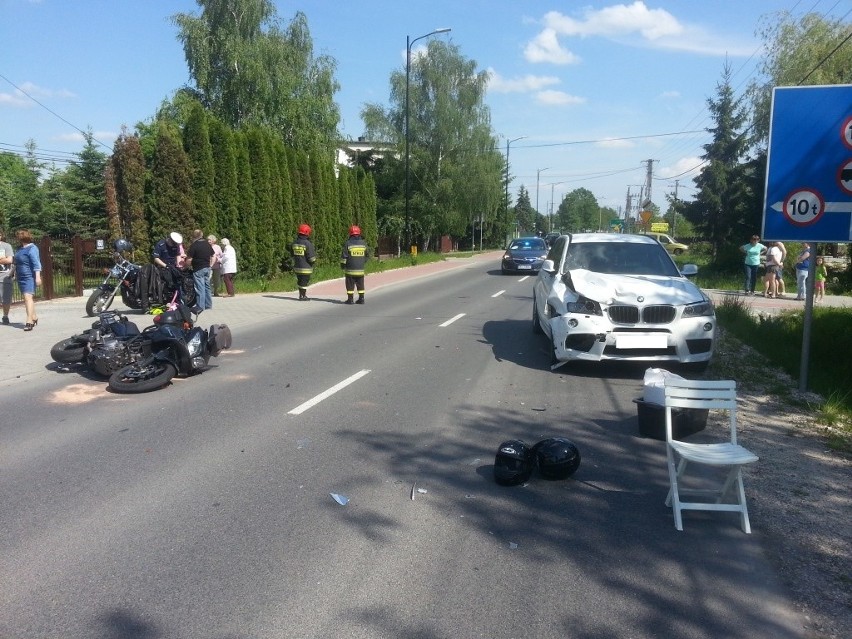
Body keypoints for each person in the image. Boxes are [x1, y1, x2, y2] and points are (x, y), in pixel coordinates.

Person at [13, 229, 42, 330]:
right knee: (28, 298)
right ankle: (34, 317)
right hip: (21, 277)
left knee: (27, 298)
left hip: (29, 276)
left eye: (18, 236)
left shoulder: (32, 248)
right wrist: (12, 273)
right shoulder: (20, 249)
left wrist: (38, 277)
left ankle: (29, 321)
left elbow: (36, 263)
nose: (17, 238)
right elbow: (16, 263)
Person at [186, 229, 214, 310]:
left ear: (194, 236)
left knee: (200, 287)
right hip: (207, 268)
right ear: (201, 235)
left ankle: (200, 306)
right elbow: (213, 255)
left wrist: (185, 265)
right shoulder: (207, 244)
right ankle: (208, 305)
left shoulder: (194, 245)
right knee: (207, 287)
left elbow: (189, 259)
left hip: (198, 269)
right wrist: (211, 264)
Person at [340, 224, 369, 304]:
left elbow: (344, 256)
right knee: (360, 284)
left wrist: (342, 265)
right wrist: (362, 262)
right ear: (359, 233)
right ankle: (361, 298)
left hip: (350, 270)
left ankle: (350, 299)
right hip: (360, 270)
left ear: (350, 234)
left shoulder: (348, 243)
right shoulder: (363, 243)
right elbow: (367, 255)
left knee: (350, 284)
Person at [290, 223, 317, 301]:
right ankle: (303, 296)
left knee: (300, 281)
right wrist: (313, 262)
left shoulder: (294, 243)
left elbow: (292, 254)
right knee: (304, 282)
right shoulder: (308, 244)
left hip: (297, 267)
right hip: (306, 267)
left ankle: (300, 295)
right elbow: (311, 258)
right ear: (307, 233)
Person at [0, 228, 14, 325]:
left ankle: (5, 316)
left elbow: (9, 260)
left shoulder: (6, 246)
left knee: (6, 298)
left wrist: (4, 259)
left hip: (5, 276)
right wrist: (2, 259)